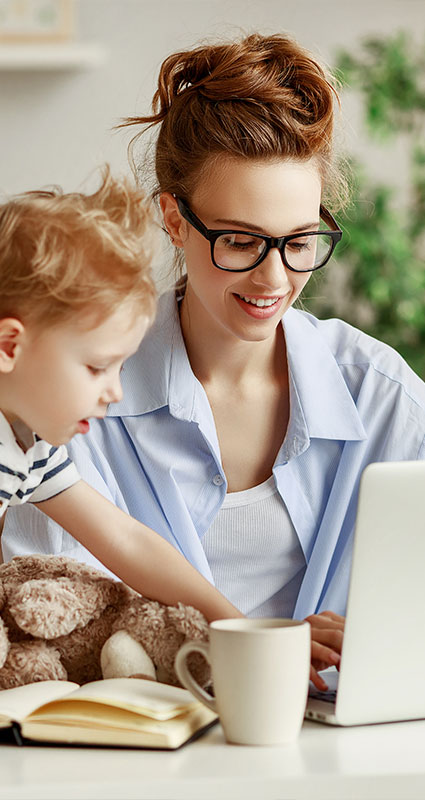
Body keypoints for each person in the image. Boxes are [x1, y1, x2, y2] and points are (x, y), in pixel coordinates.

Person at [4, 33, 425, 689]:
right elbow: (34, 614)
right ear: (174, 222)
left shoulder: (382, 396)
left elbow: (136, 549)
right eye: (239, 241)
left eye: (299, 242)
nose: (273, 279)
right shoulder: (67, 394)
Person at [0, 167, 243, 623]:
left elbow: (128, 542)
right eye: (96, 367)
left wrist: (236, 626)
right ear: (9, 346)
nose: (114, 391)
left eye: (120, 366)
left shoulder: (29, 448)